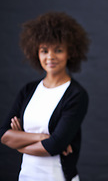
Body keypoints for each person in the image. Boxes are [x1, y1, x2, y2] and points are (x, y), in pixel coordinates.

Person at [0, 12, 90, 181]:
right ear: (37, 53)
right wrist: (42, 137)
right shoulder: (28, 90)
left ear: (70, 53)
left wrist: (19, 144)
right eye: (44, 50)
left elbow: (54, 146)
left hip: (58, 176)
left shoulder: (76, 95)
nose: (50, 56)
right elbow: (4, 135)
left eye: (58, 50)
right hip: (26, 176)